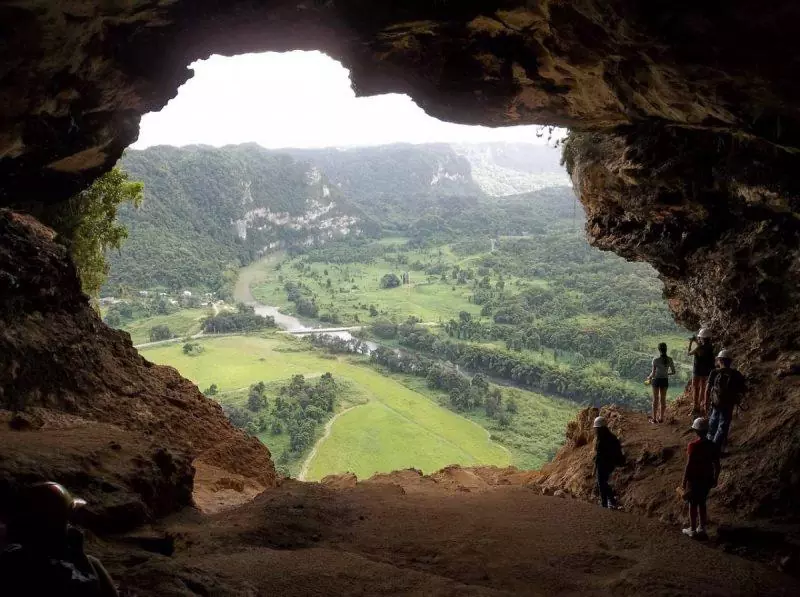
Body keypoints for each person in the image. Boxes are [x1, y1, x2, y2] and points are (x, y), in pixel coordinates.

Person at [0, 481, 118, 596]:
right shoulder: (74, 569)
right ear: (58, 525)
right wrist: (79, 554)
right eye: (67, 521)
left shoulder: (12, 559)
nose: (72, 526)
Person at [682, 417, 720, 539]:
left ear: (696, 431)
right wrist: (715, 478)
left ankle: (692, 529)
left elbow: (689, 465)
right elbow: (717, 465)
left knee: (692, 503)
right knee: (702, 502)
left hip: (695, 480)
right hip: (707, 479)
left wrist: (684, 480)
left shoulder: (693, 446)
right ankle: (702, 528)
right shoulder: (712, 446)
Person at [705, 349, 747, 452]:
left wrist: (705, 402)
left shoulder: (714, 372)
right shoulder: (736, 374)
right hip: (728, 404)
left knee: (712, 423)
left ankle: (707, 446)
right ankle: (716, 449)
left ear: (720, 360)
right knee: (722, 426)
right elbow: (743, 389)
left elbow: (707, 389)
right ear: (730, 361)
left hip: (715, 403)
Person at [593, 416, 625, 509]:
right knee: (604, 482)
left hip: (603, 463)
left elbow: (599, 454)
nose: (595, 430)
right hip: (611, 464)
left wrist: (595, 466)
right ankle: (609, 501)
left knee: (601, 483)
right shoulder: (612, 437)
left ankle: (606, 502)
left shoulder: (601, 439)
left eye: (596, 428)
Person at [688, 328, 715, 417]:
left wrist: (691, 342)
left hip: (697, 371)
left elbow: (689, 353)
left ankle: (696, 407)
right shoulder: (711, 347)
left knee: (695, 388)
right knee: (703, 389)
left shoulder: (699, 348)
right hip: (706, 371)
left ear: (702, 338)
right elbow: (703, 348)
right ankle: (703, 406)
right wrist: (696, 341)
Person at [646, 342, 676, 423]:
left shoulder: (655, 360)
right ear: (666, 349)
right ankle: (661, 418)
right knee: (663, 399)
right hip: (664, 380)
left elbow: (653, 373)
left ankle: (654, 419)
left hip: (656, 380)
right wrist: (666, 373)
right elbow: (673, 372)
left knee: (655, 399)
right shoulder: (670, 359)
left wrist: (649, 377)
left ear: (659, 350)